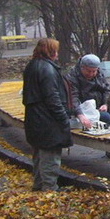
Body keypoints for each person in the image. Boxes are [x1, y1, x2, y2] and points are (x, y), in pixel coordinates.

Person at [22, 38, 72, 191]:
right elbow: (52, 98)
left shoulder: (32, 65)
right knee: (50, 156)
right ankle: (50, 190)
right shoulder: (47, 69)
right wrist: (63, 118)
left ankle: (38, 186)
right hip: (47, 120)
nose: (57, 53)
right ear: (51, 51)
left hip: (35, 118)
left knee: (39, 155)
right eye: (55, 50)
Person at [64, 54, 110, 129]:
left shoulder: (99, 74)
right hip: (82, 109)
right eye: (88, 71)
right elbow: (73, 98)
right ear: (82, 67)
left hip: (98, 107)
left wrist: (105, 104)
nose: (91, 74)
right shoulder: (72, 77)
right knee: (106, 117)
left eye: (94, 71)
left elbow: (107, 89)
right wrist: (80, 115)